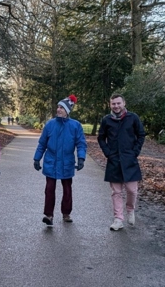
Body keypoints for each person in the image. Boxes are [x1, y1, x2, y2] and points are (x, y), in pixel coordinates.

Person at [33, 95, 87, 226]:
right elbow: (42, 143)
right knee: (49, 189)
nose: (58, 109)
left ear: (67, 110)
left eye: (61, 108)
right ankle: (49, 215)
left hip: (67, 162)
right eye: (58, 107)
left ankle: (66, 213)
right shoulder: (50, 124)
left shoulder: (75, 126)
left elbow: (81, 143)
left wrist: (81, 158)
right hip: (51, 161)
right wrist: (37, 158)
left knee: (67, 189)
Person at [97, 94, 146, 231]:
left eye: (118, 103)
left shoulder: (133, 118)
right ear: (110, 105)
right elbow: (101, 138)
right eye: (113, 104)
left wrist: (134, 152)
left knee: (132, 190)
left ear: (124, 103)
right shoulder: (106, 120)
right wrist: (108, 153)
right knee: (116, 192)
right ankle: (118, 219)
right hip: (114, 160)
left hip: (129, 160)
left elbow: (141, 135)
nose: (116, 106)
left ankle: (130, 209)